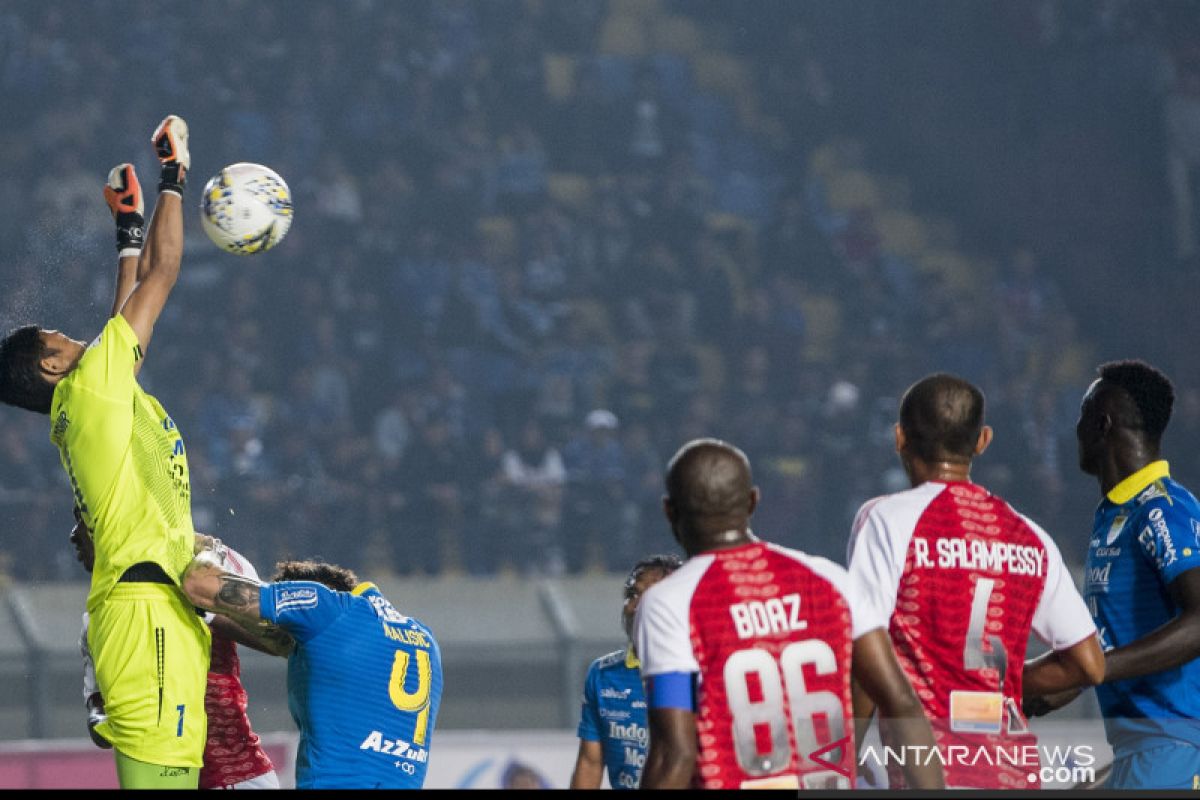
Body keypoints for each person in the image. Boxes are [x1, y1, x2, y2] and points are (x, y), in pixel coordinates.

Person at [0, 116, 210, 788]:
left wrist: (127, 233)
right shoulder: (92, 391)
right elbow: (168, 270)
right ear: (54, 369)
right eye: (65, 340)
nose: (83, 340)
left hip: (153, 610)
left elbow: (126, 309)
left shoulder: (91, 398)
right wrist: (175, 176)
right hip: (144, 615)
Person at [633, 438, 944, 790]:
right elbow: (901, 703)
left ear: (669, 511)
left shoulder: (669, 602)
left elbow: (673, 753)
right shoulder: (831, 582)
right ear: (752, 501)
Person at [846, 373, 1104, 789]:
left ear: (899, 438)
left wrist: (845, 757)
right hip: (1015, 772)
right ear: (982, 441)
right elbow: (1089, 664)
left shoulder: (886, 519)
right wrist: (1001, 686)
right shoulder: (1030, 536)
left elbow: (864, 649)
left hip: (931, 771)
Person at [1041, 360, 1200, 789]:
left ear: (1102, 422)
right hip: (1140, 752)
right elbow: (1096, 658)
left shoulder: (1162, 507)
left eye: (1081, 415)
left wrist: (1093, 669)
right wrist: (1015, 688)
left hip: (1175, 751)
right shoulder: (1115, 518)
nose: (1073, 429)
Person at [180, 552, 443, 789]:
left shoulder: (324, 607)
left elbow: (199, 585)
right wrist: (213, 618)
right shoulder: (424, 638)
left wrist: (212, 550)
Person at [69, 511, 282, 789]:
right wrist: (107, 720)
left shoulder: (211, 563)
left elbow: (276, 639)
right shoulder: (96, 620)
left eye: (83, 519)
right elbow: (97, 708)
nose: (73, 535)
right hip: (160, 776)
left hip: (231, 774)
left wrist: (205, 609)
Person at [570, 553, 682, 790]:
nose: (632, 606)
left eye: (646, 596)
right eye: (631, 594)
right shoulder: (603, 674)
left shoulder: (702, 670)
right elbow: (590, 763)